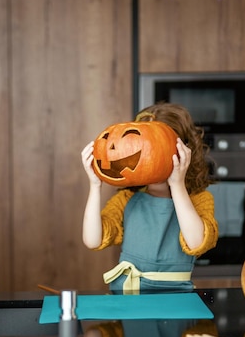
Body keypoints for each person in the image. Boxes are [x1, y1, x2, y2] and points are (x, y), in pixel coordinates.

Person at [80, 102, 218, 293]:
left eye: (155, 147)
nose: (148, 156)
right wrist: (95, 186)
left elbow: (196, 242)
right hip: (128, 294)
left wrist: (177, 185)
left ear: (183, 153)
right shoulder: (126, 199)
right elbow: (92, 240)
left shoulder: (200, 200)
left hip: (176, 298)